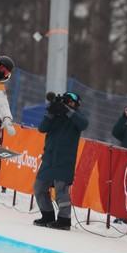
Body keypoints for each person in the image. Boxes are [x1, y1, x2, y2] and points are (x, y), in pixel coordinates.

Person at [33, 92, 88, 231]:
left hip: (65, 160)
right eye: (67, 102)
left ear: (76, 105)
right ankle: (48, 216)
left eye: (71, 103)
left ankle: (64, 220)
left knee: (61, 192)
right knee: (39, 187)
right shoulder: (56, 115)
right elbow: (42, 128)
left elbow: (84, 124)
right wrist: (49, 113)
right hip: (49, 158)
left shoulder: (76, 117)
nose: (69, 104)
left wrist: (68, 111)